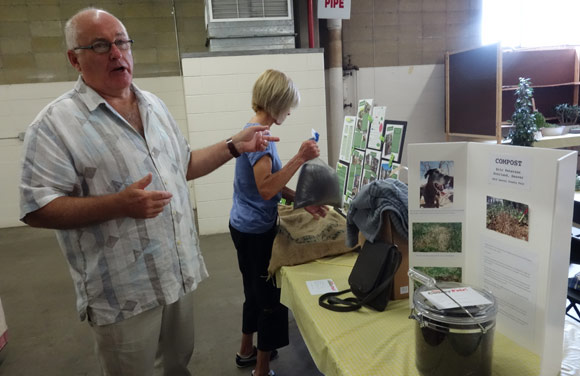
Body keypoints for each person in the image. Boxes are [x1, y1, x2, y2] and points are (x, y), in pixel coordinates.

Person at [18, 7, 278, 376]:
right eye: (100, 45)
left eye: (122, 42)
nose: (116, 52)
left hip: (176, 276)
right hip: (123, 293)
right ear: (74, 59)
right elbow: (36, 207)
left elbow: (183, 164)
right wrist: (117, 205)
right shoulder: (55, 125)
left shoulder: (154, 106)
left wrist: (235, 145)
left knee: (177, 366)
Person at [228, 69, 329, 376]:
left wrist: (301, 200)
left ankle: (247, 350)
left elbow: (269, 185)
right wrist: (300, 157)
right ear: (277, 102)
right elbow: (267, 188)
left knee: (252, 292)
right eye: (288, 106)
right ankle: (261, 370)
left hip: (242, 224)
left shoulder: (252, 130)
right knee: (270, 300)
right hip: (256, 232)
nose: (289, 112)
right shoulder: (261, 137)